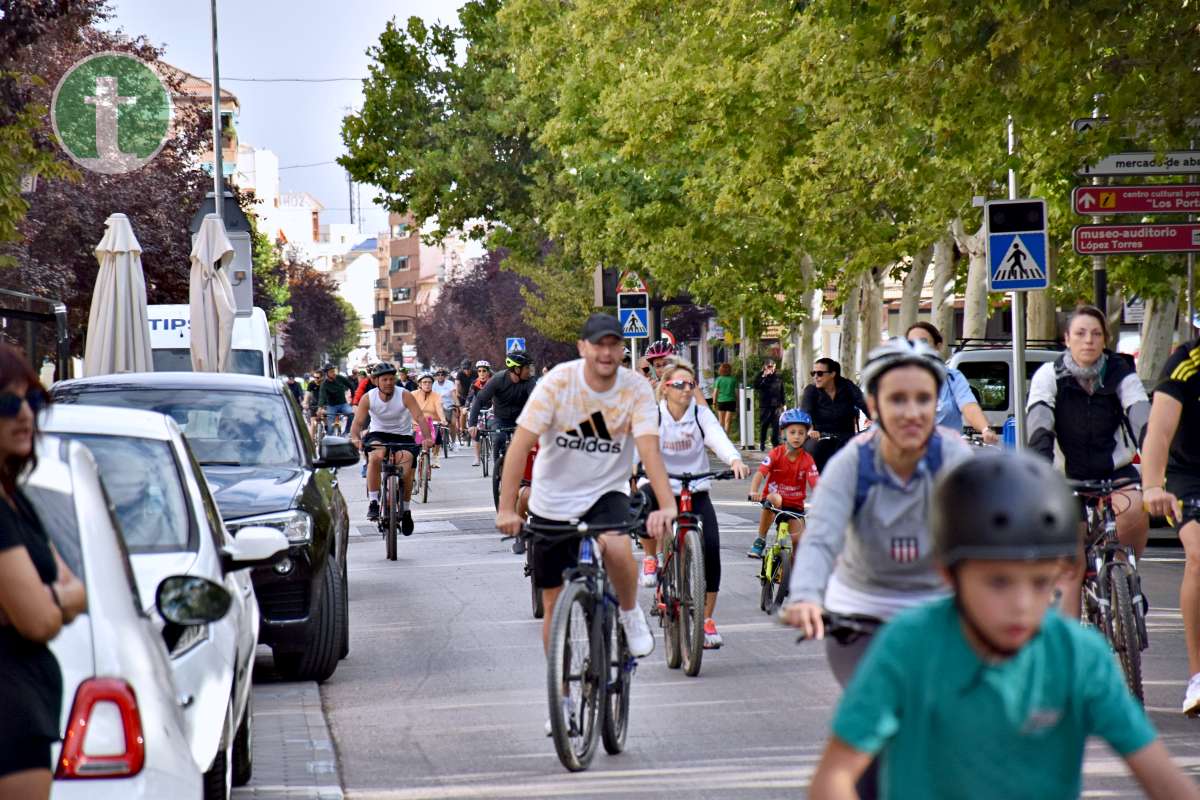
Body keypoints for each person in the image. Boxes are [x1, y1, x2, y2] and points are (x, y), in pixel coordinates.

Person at [809, 452, 1200, 800]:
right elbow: (834, 777)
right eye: (998, 582)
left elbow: (1161, 777)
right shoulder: (907, 646)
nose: (1021, 605)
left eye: (1040, 582)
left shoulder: (1078, 655)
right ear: (948, 575)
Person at [495, 313, 678, 728]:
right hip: (552, 500)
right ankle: (561, 700)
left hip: (605, 492)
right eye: (599, 344)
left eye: (614, 344)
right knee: (553, 604)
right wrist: (507, 508)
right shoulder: (558, 383)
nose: (607, 352)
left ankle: (630, 615)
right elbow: (520, 445)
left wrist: (667, 505)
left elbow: (649, 450)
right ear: (583, 348)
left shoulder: (634, 389)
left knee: (615, 544)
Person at [0, 345, 87, 799]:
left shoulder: (16, 499)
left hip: (26, 712)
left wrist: (39, 600)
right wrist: (48, 601)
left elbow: (78, 588)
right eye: (7, 404)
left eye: (32, 401)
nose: (24, 416)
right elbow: (38, 619)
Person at [1028, 305, 1149, 619]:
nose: (1088, 341)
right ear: (1067, 339)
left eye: (1096, 334)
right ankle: (1072, 648)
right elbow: (1039, 424)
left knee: (1135, 508)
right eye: (1080, 333)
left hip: (1114, 471)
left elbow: (1141, 417)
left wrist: (1154, 462)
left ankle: (1127, 576)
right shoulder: (1048, 376)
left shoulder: (1122, 372)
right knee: (1070, 563)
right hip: (1066, 477)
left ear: (1105, 339)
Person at [640, 361, 749, 648]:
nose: (687, 390)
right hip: (663, 487)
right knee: (639, 501)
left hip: (696, 489)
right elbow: (641, 446)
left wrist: (734, 459)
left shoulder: (701, 415)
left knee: (711, 547)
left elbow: (717, 438)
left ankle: (706, 620)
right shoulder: (654, 416)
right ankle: (651, 558)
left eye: (691, 385)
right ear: (665, 388)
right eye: (680, 384)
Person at [1140, 335, 1200, 715]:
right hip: (1189, 474)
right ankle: (1198, 676)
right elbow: (1158, 434)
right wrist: (1151, 486)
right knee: (1198, 556)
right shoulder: (1186, 363)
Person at [348, 362, 432, 534]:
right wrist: (355, 438)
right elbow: (357, 422)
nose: (388, 383)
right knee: (375, 457)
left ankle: (406, 510)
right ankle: (373, 501)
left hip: (402, 436)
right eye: (384, 379)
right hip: (378, 434)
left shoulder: (405, 395)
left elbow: (420, 418)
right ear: (375, 381)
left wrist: (427, 437)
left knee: (407, 468)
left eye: (391, 379)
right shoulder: (368, 398)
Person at [905, 322, 999, 444]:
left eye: (923, 342)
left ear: (937, 346)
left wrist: (985, 429)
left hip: (948, 451)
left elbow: (968, 406)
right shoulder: (897, 380)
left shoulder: (953, 378)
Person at [746, 409, 819, 558]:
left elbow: (816, 484)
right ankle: (760, 539)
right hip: (774, 503)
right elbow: (760, 474)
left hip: (795, 507)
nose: (797, 436)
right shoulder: (776, 454)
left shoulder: (807, 460)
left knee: (799, 542)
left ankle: (792, 576)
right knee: (776, 498)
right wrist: (754, 491)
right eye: (792, 432)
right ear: (783, 433)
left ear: (806, 435)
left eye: (801, 432)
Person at [468, 352, 536, 476]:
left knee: (527, 445)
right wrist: (472, 424)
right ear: (517, 369)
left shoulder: (529, 381)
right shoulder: (498, 380)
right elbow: (479, 400)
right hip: (500, 417)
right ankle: (498, 470)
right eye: (527, 368)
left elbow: (536, 401)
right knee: (499, 438)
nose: (529, 371)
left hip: (521, 419)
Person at [800, 357, 870, 472]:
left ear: (832, 374)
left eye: (820, 373)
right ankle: (821, 483)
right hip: (820, 435)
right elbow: (806, 412)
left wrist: (878, 420)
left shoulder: (847, 386)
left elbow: (864, 403)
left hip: (846, 436)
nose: (815, 377)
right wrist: (810, 430)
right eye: (813, 373)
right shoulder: (811, 390)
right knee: (813, 448)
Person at [413, 373, 448, 468]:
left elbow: (439, 409)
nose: (427, 384)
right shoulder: (412, 394)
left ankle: (435, 457)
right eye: (424, 382)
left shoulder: (436, 396)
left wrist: (443, 419)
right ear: (419, 384)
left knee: (438, 435)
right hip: (416, 423)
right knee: (411, 444)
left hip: (432, 423)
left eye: (429, 382)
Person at [753, 359, 786, 450]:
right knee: (764, 425)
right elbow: (756, 386)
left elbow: (782, 390)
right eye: (769, 366)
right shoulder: (761, 376)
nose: (771, 368)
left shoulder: (778, 377)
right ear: (765, 367)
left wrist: (784, 403)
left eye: (772, 366)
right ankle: (762, 442)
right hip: (765, 405)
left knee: (776, 425)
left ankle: (775, 443)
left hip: (776, 406)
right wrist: (764, 376)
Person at [467, 360, 493, 466]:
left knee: (494, 427)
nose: (482, 373)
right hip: (478, 408)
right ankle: (477, 458)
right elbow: (470, 397)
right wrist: (466, 406)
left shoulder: (493, 381)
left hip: (492, 407)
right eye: (479, 371)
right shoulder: (475, 384)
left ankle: (496, 450)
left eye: (484, 371)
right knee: (476, 431)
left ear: (488, 372)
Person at [318, 363, 356, 435]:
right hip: (331, 406)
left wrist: (353, 399)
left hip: (343, 404)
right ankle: (330, 439)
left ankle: (346, 432)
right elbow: (322, 396)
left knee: (352, 414)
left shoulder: (339, 378)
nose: (334, 373)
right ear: (326, 374)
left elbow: (351, 385)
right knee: (330, 429)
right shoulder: (324, 384)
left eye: (334, 371)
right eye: (331, 372)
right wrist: (320, 407)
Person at [431, 368, 459, 446]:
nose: (440, 376)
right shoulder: (434, 384)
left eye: (442, 375)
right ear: (436, 376)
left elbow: (453, 394)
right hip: (439, 406)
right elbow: (432, 396)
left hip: (450, 405)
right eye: (438, 375)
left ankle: (453, 442)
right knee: (437, 424)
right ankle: (438, 439)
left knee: (453, 423)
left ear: (445, 376)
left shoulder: (449, 383)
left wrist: (457, 404)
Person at [711, 362, 737, 432]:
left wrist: (714, 403)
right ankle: (727, 438)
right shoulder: (733, 379)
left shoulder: (719, 379)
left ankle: (721, 439)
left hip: (721, 401)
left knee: (721, 421)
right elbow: (736, 393)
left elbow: (715, 392)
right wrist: (737, 402)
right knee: (727, 421)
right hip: (731, 401)